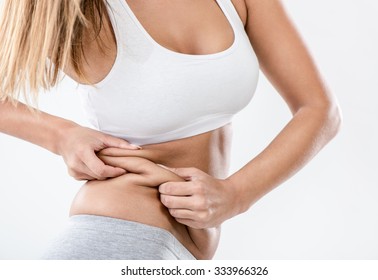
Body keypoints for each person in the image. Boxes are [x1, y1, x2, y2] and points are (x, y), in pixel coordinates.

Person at [0, 0, 341, 260]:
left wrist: (237, 194)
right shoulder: (84, 9)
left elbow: (320, 110)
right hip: (118, 232)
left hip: (182, 250)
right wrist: (60, 135)